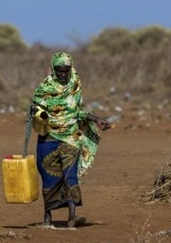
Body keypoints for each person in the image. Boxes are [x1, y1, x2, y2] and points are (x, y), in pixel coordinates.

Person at [31, 52, 111, 228]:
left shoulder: (74, 84)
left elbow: (78, 111)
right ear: (53, 69)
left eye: (66, 70)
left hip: (70, 137)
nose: (63, 74)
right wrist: (38, 114)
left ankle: (72, 216)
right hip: (48, 138)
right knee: (49, 178)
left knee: (70, 175)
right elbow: (35, 110)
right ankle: (47, 218)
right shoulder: (44, 88)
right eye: (60, 70)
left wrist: (96, 119)